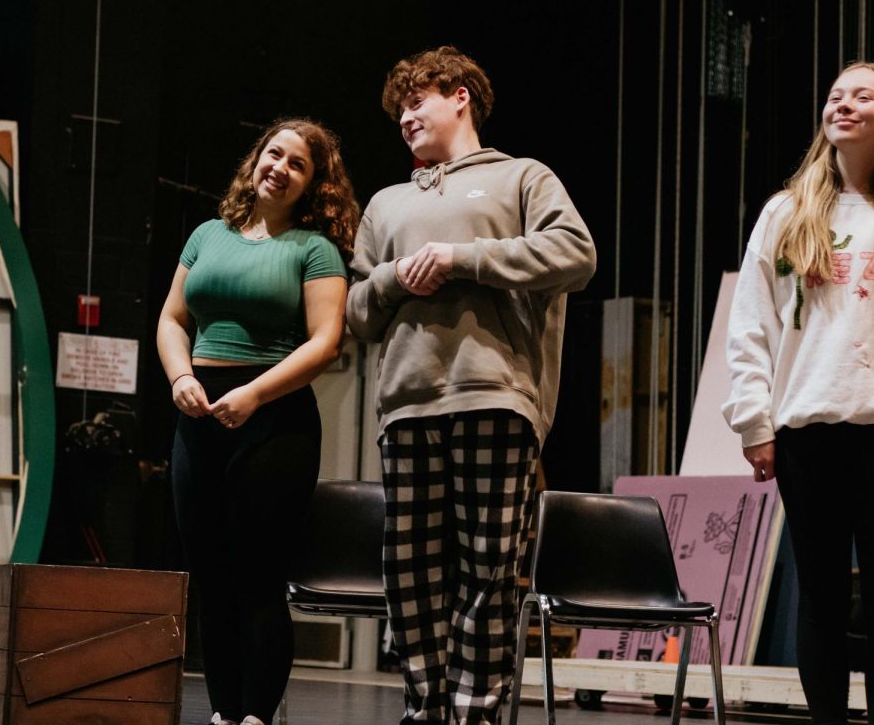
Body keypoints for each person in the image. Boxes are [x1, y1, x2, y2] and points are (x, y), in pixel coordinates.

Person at [347, 46, 596, 725]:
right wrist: (399, 276)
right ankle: (424, 706)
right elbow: (358, 309)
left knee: (489, 570)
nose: (405, 116)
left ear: (459, 96)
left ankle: (474, 709)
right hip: (407, 404)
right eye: (399, 107)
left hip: (494, 394)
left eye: (417, 100)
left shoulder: (521, 177)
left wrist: (464, 259)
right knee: (412, 573)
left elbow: (577, 254)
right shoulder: (387, 202)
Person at [724, 62, 874, 724]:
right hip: (807, 427)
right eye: (834, 95)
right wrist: (754, 420)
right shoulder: (787, 214)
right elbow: (753, 322)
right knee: (819, 597)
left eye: (861, 95)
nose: (842, 104)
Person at [156, 118, 359, 725]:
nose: (281, 168)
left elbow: (325, 342)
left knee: (259, 578)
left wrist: (255, 394)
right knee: (211, 577)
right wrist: (180, 378)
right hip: (200, 413)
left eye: (298, 164)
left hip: (274, 417)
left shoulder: (313, 249)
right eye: (275, 154)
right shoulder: (206, 235)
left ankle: (256, 716)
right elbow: (172, 319)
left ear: (312, 185)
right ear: (256, 160)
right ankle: (223, 713)